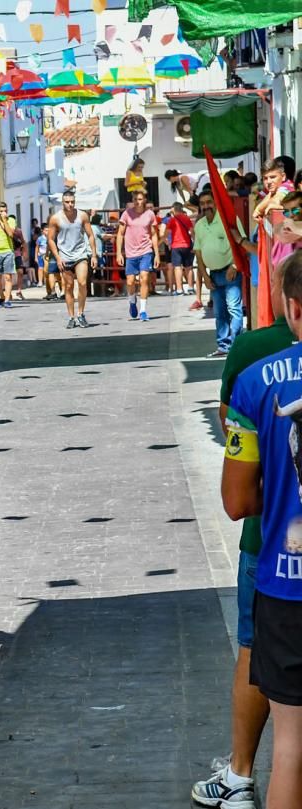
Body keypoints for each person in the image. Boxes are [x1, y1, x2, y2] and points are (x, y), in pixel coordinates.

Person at [192, 256, 291, 809]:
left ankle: (240, 772)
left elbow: (237, 492)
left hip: (273, 540)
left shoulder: (253, 353)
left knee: (256, 650)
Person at [221, 250, 302, 809]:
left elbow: (236, 501)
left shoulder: (254, 382)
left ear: (292, 307)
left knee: (293, 746)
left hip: (286, 579)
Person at [193, 191, 246, 357]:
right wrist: (205, 277)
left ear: (215, 203)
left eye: (209, 202)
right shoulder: (199, 225)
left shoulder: (228, 219)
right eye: (202, 203)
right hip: (214, 275)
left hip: (231, 273)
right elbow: (198, 255)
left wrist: (235, 266)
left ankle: (236, 346)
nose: (206, 206)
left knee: (234, 310)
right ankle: (223, 346)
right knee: (219, 313)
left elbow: (241, 244)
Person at [48, 189, 99, 329]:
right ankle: (71, 316)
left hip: (80, 254)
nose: (70, 205)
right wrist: (58, 257)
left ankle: (81, 314)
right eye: (67, 202)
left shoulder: (82, 215)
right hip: (64, 256)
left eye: (72, 202)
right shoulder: (55, 218)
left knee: (82, 283)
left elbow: (90, 235)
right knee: (68, 287)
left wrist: (93, 255)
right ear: (62, 202)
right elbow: (50, 239)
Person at [116, 190, 160, 321]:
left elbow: (153, 235)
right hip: (130, 253)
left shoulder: (150, 214)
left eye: (140, 199)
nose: (137, 202)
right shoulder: (126, 214)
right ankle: (132, 301)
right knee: (130, 282)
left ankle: (143, 310)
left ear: (144, 200)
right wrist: (119, 253)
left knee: (144, 278)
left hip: (146, 251)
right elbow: (120, 233)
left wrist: (157, 254)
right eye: (135, 199)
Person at [163, 202, 195, 297]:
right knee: (189, 267)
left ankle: (179, 289)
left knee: (177, 267)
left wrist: (167, 241)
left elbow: (166, 233)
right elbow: (192, 232)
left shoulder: (172, 220)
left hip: (176, 246)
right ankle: (190, 288)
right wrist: (195, 242)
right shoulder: (187, 218)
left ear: (175, 209)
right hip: (187, 245)